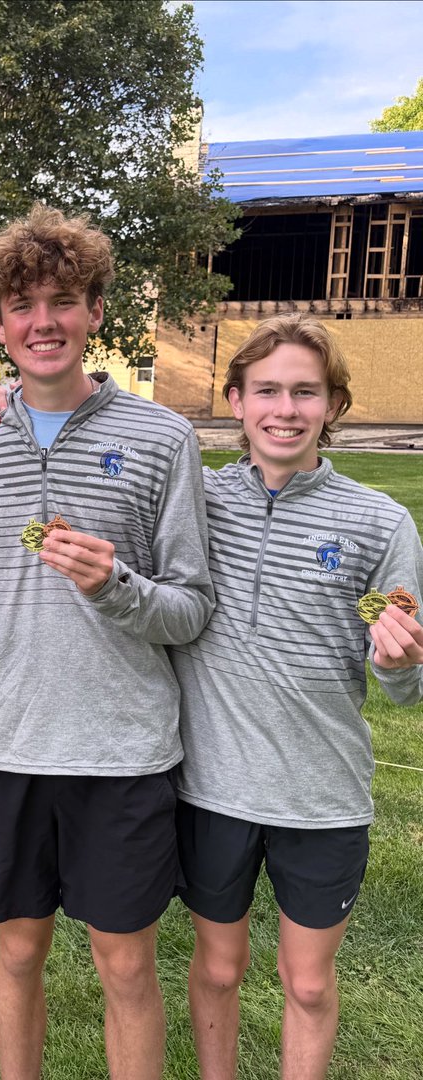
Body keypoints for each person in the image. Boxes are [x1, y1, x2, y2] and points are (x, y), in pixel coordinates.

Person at [0, 204, 214, 1080]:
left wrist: (116, 587)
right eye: (22, 305)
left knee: (125, 963)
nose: (43, 322)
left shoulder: (162, 437)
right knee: (16, 954)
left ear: (97, 310)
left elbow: (193, 608)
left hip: (123, 751)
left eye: (63, 300)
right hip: (6, 746)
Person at [168, 314, 423, 1079]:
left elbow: (404, 688)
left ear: (334, 406)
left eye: (305, 392)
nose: (286, 409)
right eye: (268, 390)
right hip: (212, 790)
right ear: (237, 400)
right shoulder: (196, 504)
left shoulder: (381, 523)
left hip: (323, 798)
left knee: (307, 983)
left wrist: (399, 661)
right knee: (217, 968)